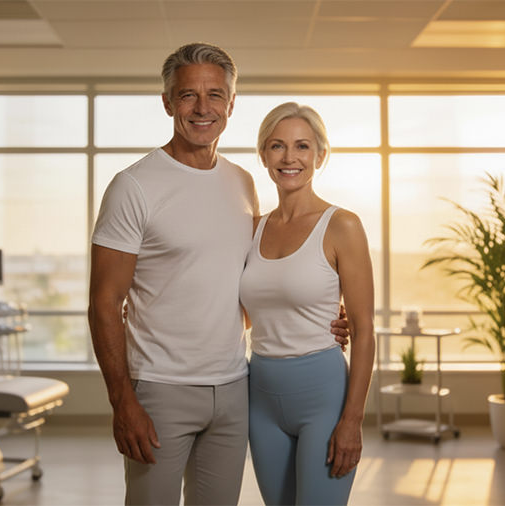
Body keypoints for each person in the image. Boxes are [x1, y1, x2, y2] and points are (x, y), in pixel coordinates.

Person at [87, 43, 349, 506]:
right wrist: (122, 401)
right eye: (188, 95)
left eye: (215, 95)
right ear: (168, 102)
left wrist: (317, 313)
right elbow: (104, 304)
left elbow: (253, 283)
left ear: (231, 104)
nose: (202, 108)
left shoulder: (243, 183)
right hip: (160, 389)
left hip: (234, 389)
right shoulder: (134, 186)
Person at [240, 102, 375, 505]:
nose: (289, 157)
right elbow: (241, 313)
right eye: (277, 146)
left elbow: (365, 332)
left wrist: (352, 420)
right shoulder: (252, 227)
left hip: (323, 394)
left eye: (302, 146)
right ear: (263, 155)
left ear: (320, 154)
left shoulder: (342, 225)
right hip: (260, 392)